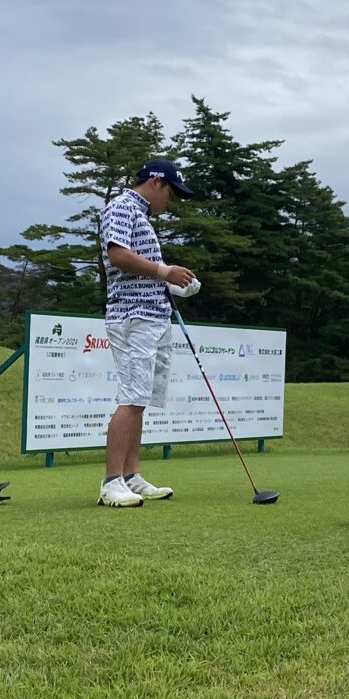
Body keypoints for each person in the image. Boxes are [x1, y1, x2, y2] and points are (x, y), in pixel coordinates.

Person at [96, 159, 200, 507]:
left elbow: (143, 272)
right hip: (132, 316)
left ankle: (130, 476)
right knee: (132, 398)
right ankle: (111, 482)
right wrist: (164, 271)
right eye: (171, 192)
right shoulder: (122, 207)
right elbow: (117, 255)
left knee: (140, 400)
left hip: (153, 316)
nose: (170, 201)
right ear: (156, 182)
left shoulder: (141, 216)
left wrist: (172, 284)